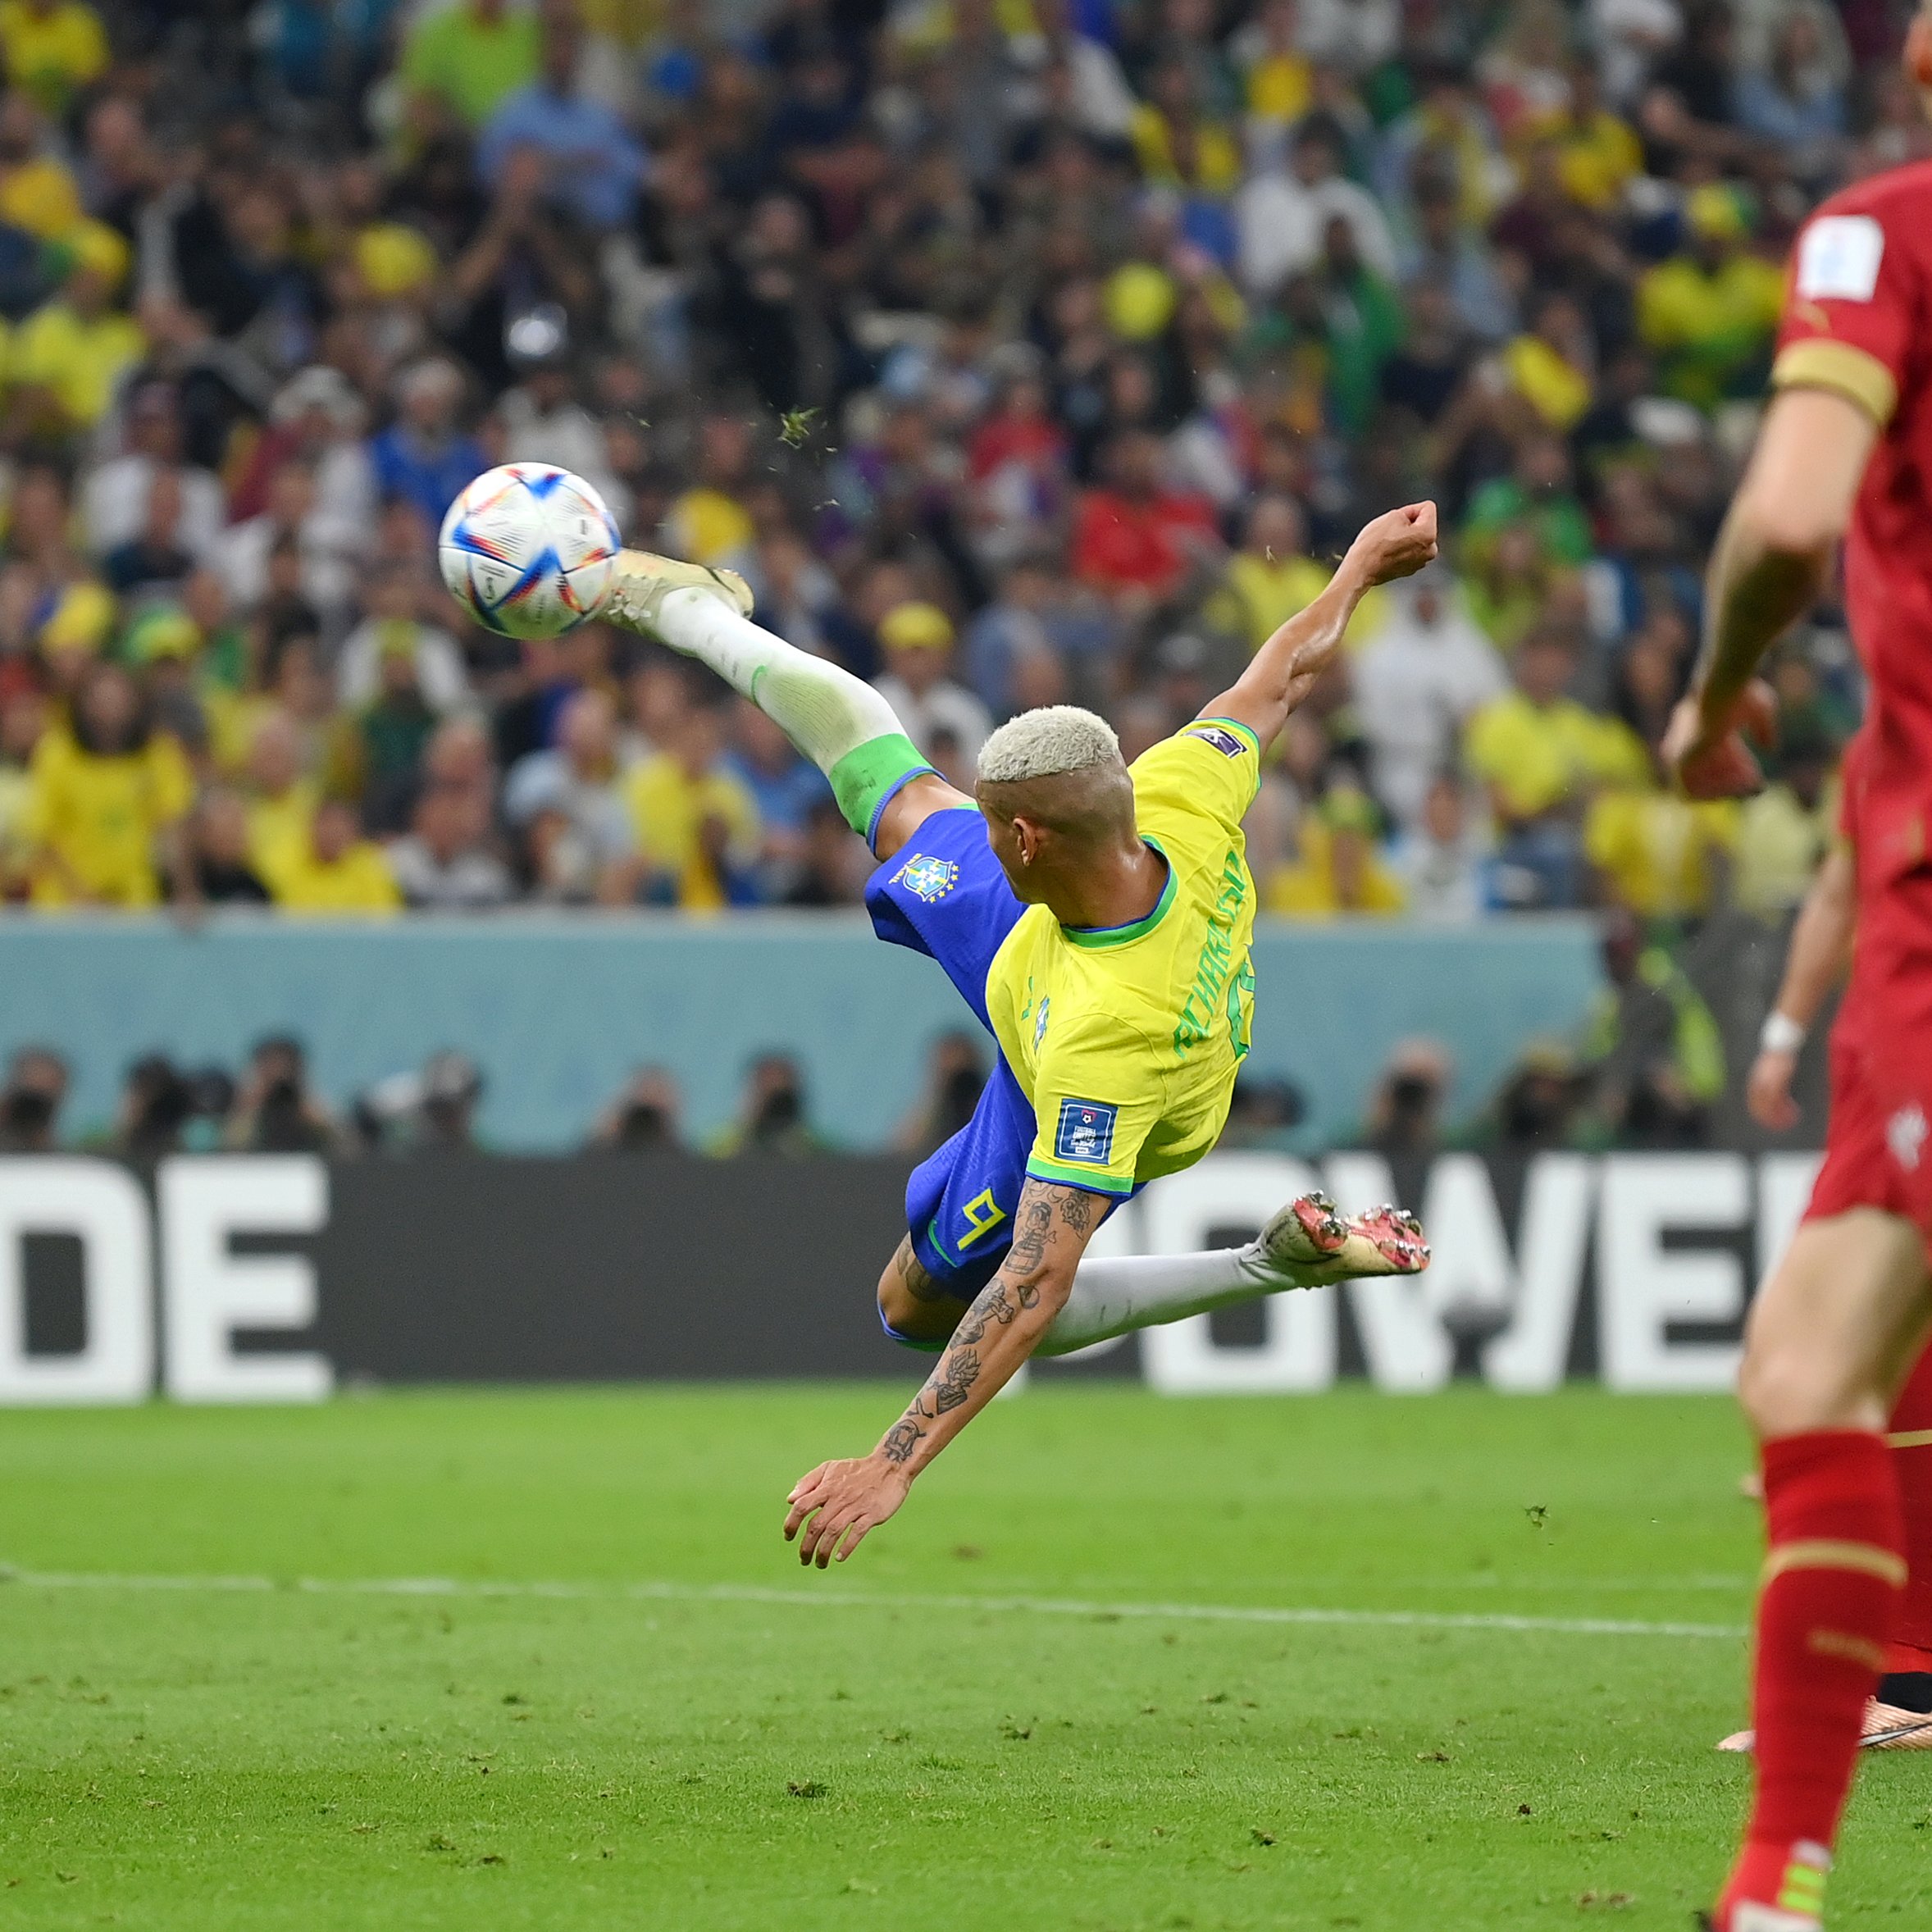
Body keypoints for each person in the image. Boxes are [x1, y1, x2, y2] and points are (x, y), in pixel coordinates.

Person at [601, 504, 1437, 1566]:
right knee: (890, 786)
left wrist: (893, 1459)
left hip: (1092, 1057)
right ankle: (694, 610)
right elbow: (1281, 677)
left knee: (914, 1304)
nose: (978, 827)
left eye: (993, 820)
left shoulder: (1104, 1052)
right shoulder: (1179, 793)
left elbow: (1036, 1285)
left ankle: (1262, 1265)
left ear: (1026, 836)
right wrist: (1358, 568)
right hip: (1048, 932)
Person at [1658, 23, 1932, 1916]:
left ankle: (1771, 1888)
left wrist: (1709, 689)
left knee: (1807, 1363)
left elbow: (1778, 514)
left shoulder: (1875, 237)